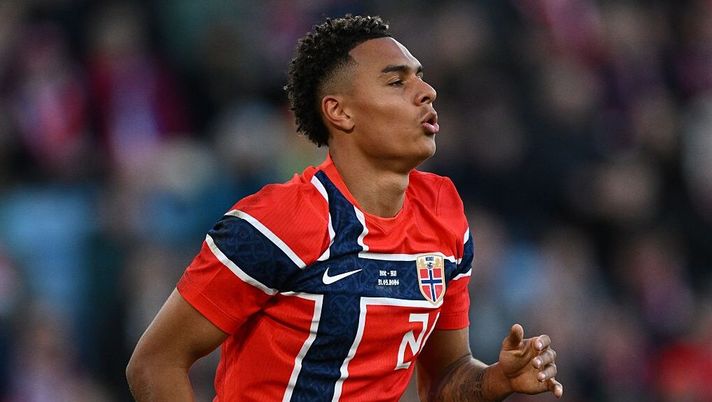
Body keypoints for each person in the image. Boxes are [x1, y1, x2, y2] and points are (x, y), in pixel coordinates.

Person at [126, 15, 563, 402]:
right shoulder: (277, 224)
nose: (427, 92)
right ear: (340, 112)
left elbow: (445, 378)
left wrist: (497, 380)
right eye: (397, 82)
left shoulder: (443, 212)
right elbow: (155, 362)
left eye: (421, 78)